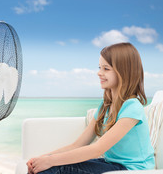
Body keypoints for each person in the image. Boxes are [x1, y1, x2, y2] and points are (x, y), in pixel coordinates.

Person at [27, 42, 155, 174]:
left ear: (124, 72)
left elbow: (98, 149)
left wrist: (50, 161)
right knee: (45, 167)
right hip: (110, 164)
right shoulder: (106, 105)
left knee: (52, 168)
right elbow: (77, 145)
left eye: (106, 69)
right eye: (100, 67)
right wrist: (42, 159)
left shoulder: (132, 107)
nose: (99, 73)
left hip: (131, 170)